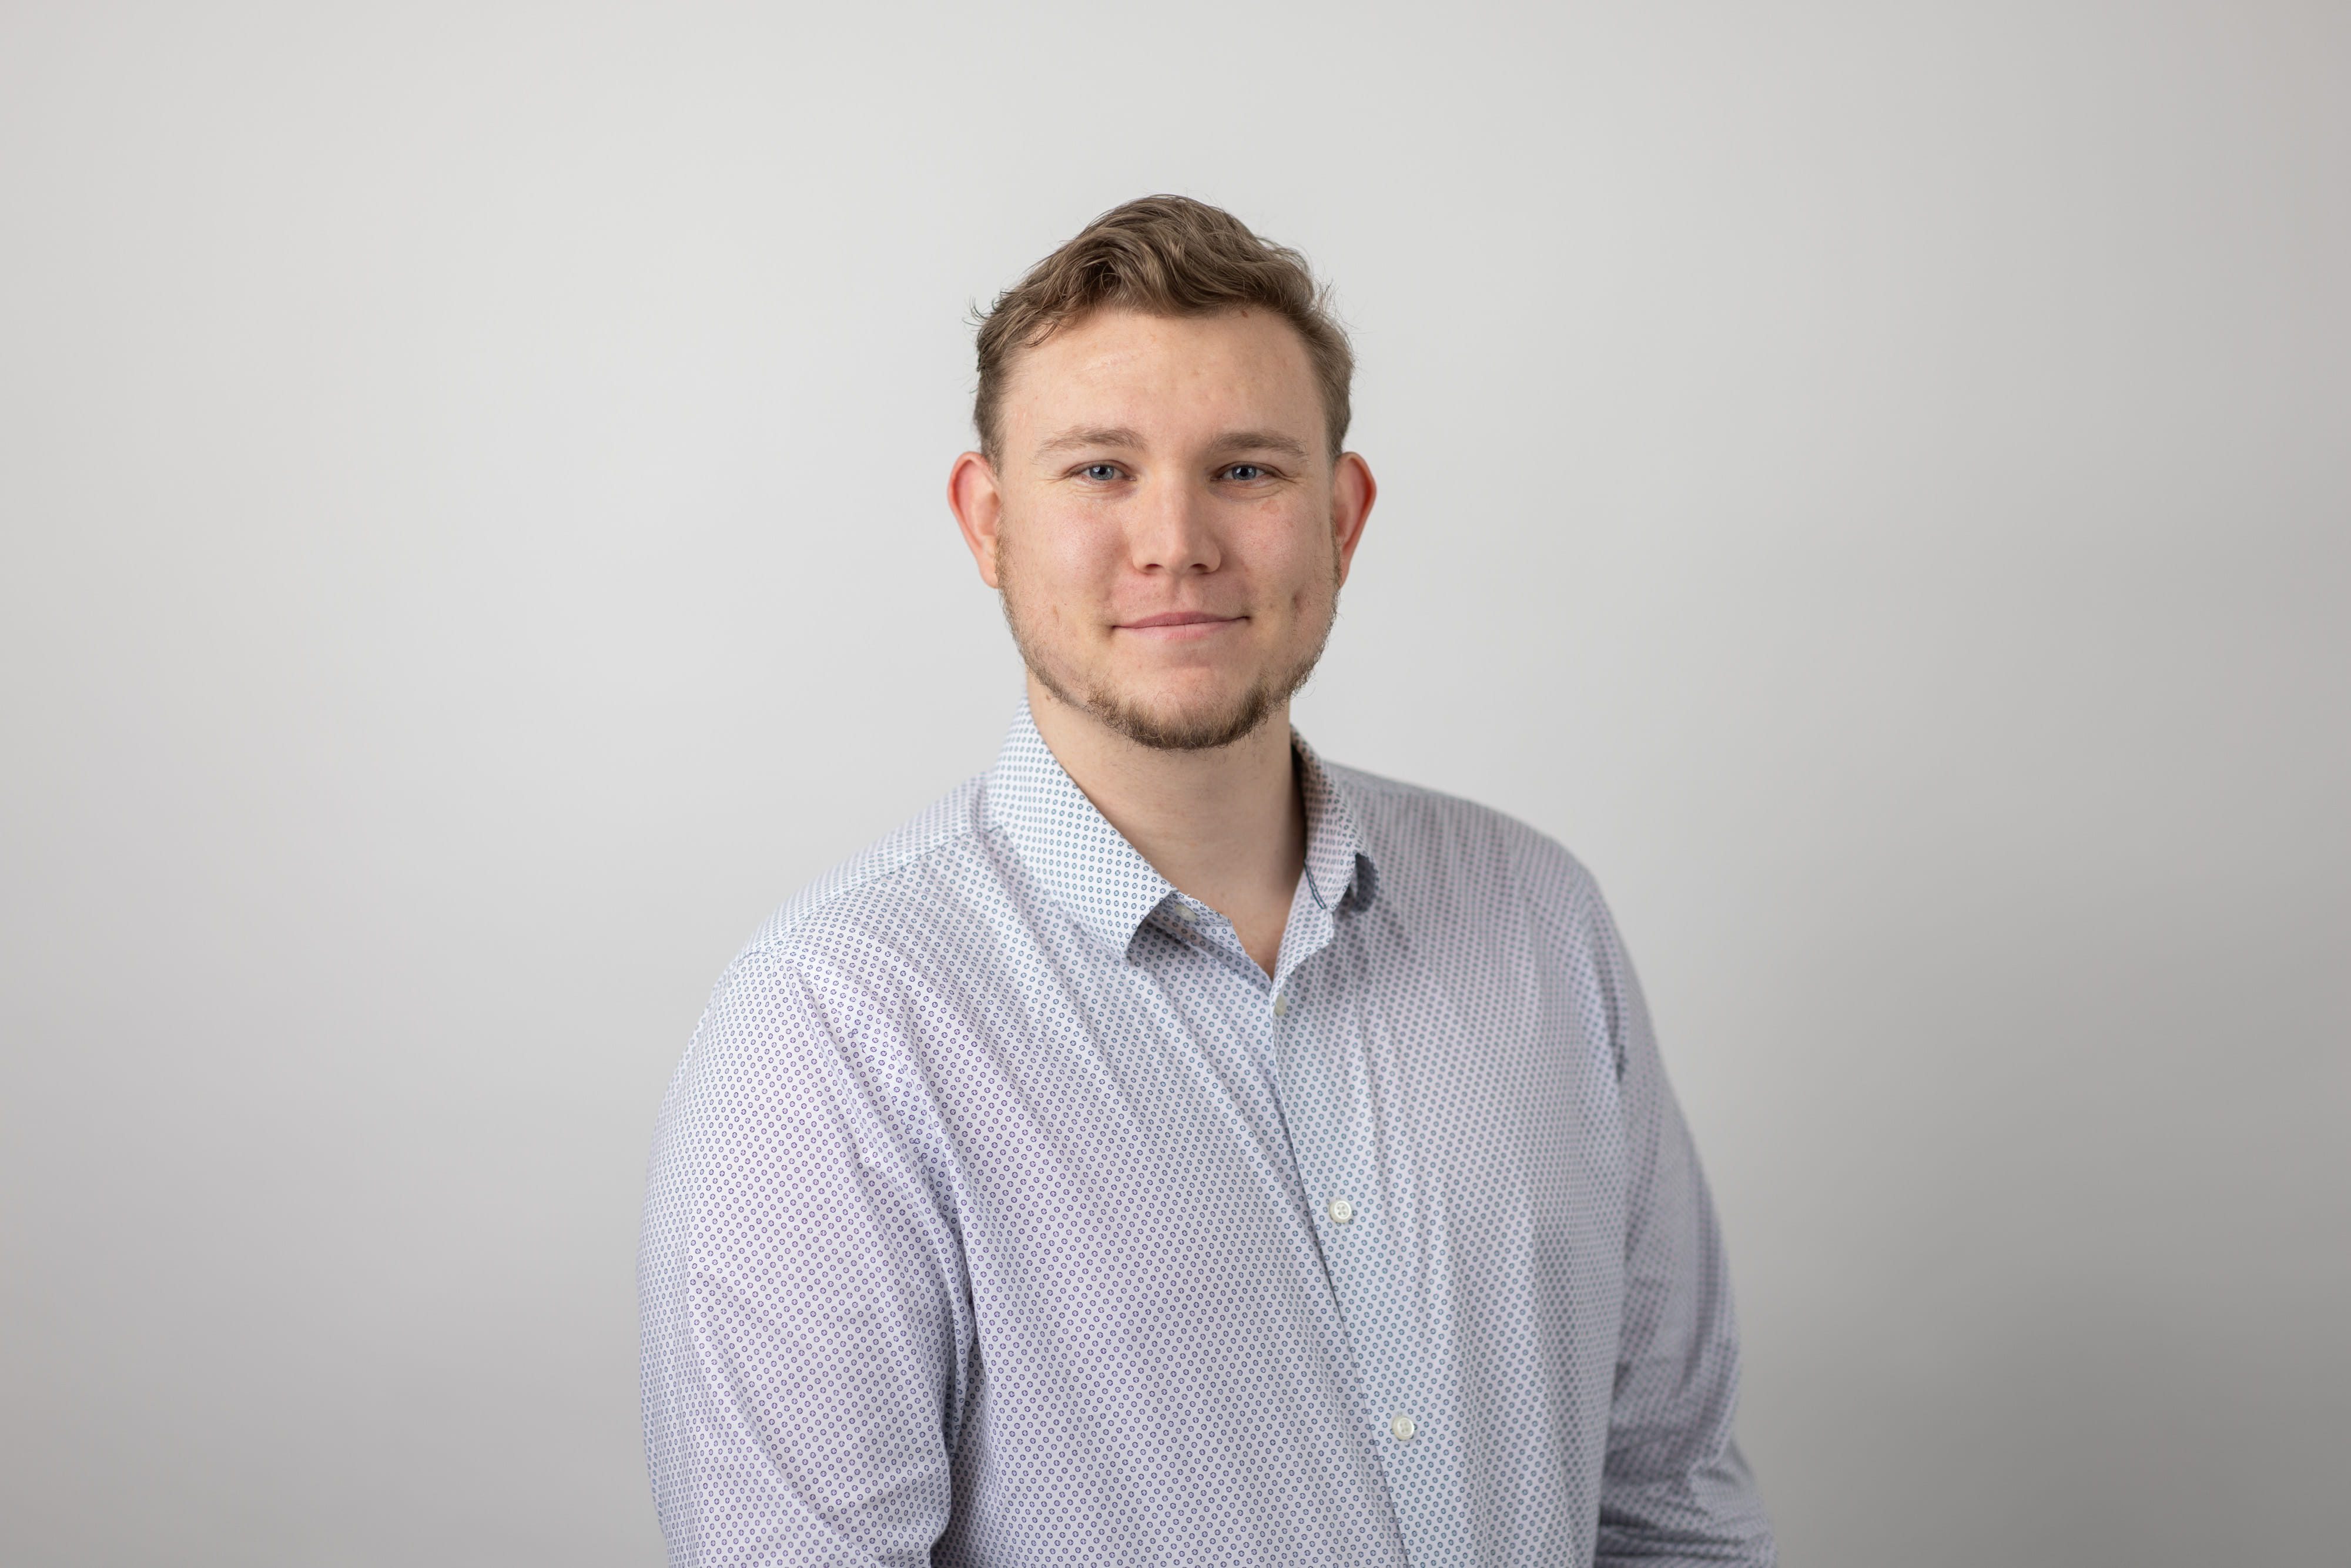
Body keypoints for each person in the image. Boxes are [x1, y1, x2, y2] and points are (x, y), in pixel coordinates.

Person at [637, 195, 1775, 1567]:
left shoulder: (1539, 919)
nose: (1174, 540)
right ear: (986, 521)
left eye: (1244, 470)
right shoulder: (830, 1027)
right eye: (1099, 470)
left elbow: (1665, 1503)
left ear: (1341, 516)